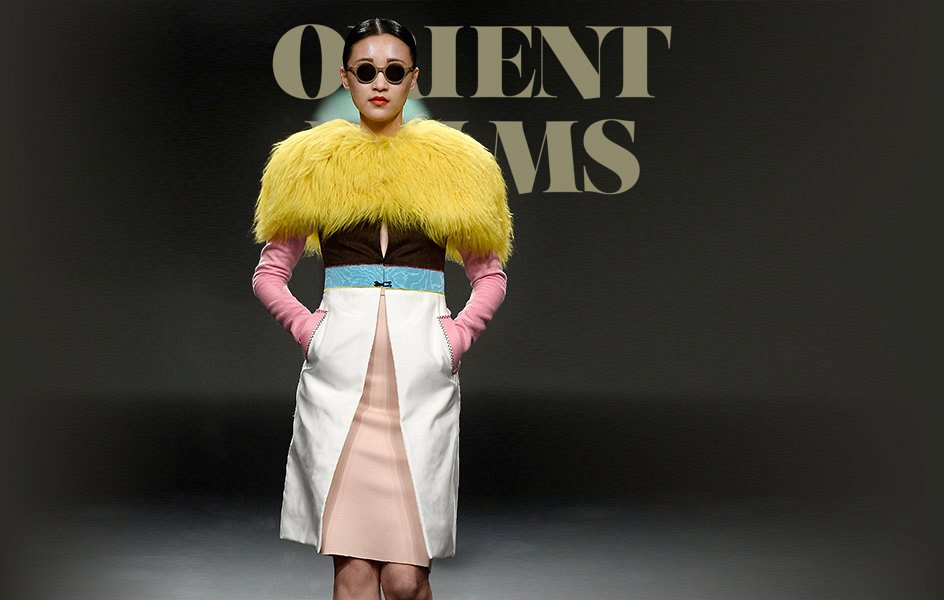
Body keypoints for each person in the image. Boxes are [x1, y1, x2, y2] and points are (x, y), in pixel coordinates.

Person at [250, 17, 513, 600]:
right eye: (366, 71)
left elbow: (489, 276)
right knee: (354, 577)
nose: (380, 83)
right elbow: (269, 274)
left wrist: (453, 340)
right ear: (346, 78)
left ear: (413, 79)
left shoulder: (455, 166)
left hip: (421, 380)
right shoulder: (312, 164)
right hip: (339, 381)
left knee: (405, 580)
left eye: (394, 72)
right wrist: (311, 331)